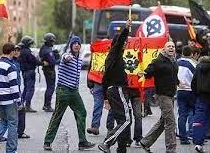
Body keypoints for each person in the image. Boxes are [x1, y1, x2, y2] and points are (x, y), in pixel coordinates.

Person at [43, 36, 95, 151]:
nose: (76, 45)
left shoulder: (79, 60)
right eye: (74, 43)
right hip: (63, 91)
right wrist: (67, 56)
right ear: (71, 46)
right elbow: (65, 58)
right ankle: (47, 141)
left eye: (78, 43)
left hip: (74, 92)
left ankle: (82, 142)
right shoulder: (66, 56)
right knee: (57, 115)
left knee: (82, 112)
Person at [98, 20, 132, 153]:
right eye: (123, 42)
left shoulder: (113, 58)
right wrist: (126, 29)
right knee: (126, 120)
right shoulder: (115, 52)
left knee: (122, 121)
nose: (125, 44)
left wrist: (105, 97)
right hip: (118, 90)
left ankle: (121, 149)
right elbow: (119, 41)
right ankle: (107, 143)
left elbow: (105, 79)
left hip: (113, 91)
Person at [139, 41, 179, 153]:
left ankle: (145, 142)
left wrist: (178, 82)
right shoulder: (158, 61)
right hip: (162, 95)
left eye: (173, 46)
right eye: (169, 46)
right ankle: (171, 149)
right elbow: (148, 72)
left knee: (163, 122)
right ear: (164, 49)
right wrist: (144, 74)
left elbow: (173, 76)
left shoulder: (173, 61)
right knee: (170, 122)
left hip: (171, 95)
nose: (171, 48)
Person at [0, 42, 21, 153]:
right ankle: (11, 150)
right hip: (9, 99)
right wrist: (19, 101)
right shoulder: (11, 67)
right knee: (12, 124)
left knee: (3, 122)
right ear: (11, 52)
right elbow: (14, 86)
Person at [177, 45, 197, 144]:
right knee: (192, 113)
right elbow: (196, 78)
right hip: (190, 91)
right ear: (192, 54)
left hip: (179, 90)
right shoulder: (193, 63)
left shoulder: (176, 62)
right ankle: (192, 133)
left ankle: (182, 137)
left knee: (182, 114)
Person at [18, 36, 41, 112]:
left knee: (26, 88)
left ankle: (21, 104)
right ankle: (27, 106)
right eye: (30, 43)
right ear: (27, 43)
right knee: (30, 89)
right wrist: (41, 62)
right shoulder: (27, 51)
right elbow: (34, 61)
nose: (31, 44)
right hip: (30, 72)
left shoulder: (21, 51)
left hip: (24, 72)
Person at [12, 44, 30, 139]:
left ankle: (19, 132)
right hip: (13, 91)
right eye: (14, 50)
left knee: (18, 111)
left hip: (17, 89)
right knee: (19, 111)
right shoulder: (12, 62)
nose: (16, 52)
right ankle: (19, 132)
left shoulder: (17, 61)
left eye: (18, 50)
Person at [39, 33, 57, 112]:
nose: (53, 43)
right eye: (52, 41)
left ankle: (46, 105)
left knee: (49, 87)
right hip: (50, 71)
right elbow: (53, 62)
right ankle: (47, 105)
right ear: (49, 41)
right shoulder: (47, 50)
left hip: (47, 70)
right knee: (50, 88)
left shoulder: (43, 48)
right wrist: (56, 57)